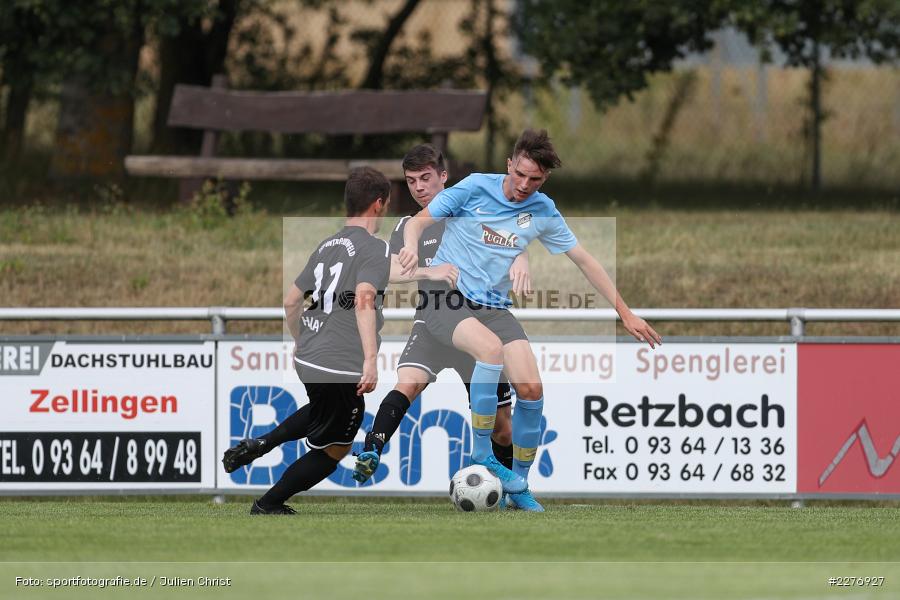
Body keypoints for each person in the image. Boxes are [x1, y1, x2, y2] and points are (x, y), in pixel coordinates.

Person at [397, 129, 662, 511]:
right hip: (446, 297)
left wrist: (624, 311)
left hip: (492, 306)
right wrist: (409, 245)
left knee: (532, 390)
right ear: (509, 164)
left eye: (533, 179)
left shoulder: (542, 210)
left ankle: (519, 487)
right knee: (490, 351)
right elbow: (416, 223)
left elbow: (585, 260)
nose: (523, 185)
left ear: (544, 179)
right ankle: (483, 455)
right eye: (519, 173)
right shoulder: (474, 187)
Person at [352, 144, 533, 485]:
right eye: (411, 181)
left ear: (444, 177)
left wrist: (521, 257)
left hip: (478, 326)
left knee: (504, 430)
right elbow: (388, 271)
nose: (419, 187)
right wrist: (426, 272)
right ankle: (372, 449)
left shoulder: (473, 211)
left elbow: (515, 232)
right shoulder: (408, 227)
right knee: (408, 381)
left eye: (426, 178)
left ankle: (509, 488)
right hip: (434, 320)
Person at [222, 166, 392, 514]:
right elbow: (363, 299)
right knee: (336, 447)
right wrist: (371, 360)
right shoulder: (375, 248)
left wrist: (300, 339)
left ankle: (263, 442)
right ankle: (268, 504)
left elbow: (290, 300)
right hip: (339, 360)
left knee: (321, 410)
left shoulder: (327, 244)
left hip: (310, 355)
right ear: (378, 205)